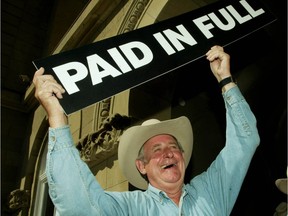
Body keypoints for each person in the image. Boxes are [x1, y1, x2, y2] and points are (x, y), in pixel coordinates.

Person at [33, 45, 260, 215]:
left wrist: (226, 80)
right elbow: (77, 203)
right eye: (157, 150)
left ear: (182, 157)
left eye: (173, 147)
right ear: (141, 166)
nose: (169, 153)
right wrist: (56, 117)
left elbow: (245, 141)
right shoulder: (128, 208)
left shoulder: (211, 191)